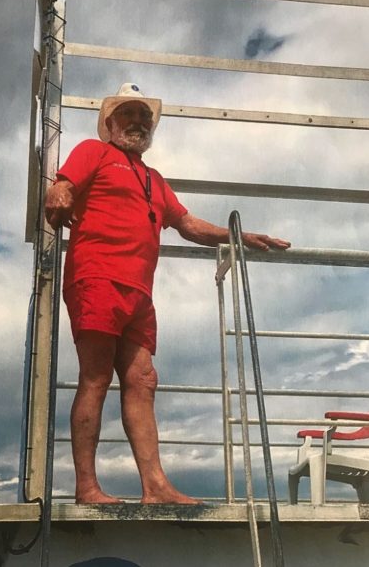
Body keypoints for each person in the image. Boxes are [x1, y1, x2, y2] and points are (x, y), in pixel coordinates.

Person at [45, 83, 290, 505]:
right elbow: (62, 185)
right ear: (110, 123)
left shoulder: (154, 180)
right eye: (130, 114)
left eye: (145, 117)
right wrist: (60, 193)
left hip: (139, 292)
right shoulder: (94, 151)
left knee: (142, 380)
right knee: (97, 377)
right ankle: (86, 487)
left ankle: (155, 486)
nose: (139, 122)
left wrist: (238, 235)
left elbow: (188, 224)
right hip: (97, 278)